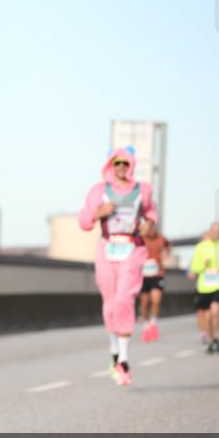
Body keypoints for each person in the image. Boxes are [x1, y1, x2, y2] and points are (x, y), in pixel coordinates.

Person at [79, 147, 158, 386]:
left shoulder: (143, 190)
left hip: (132, 248)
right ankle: (114, 352)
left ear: (131, 165)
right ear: (110, 165)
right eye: (117, 163)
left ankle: (123, 359)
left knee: (124, 298)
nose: (122, 167)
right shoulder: (99, 191)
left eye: (126, 163)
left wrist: (149, 226)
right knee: (111, 302)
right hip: (107, 249)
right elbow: (84, 222)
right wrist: (99, 212)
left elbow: (151, 216)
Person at [188, 223, 219, 354]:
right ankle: (211, 342)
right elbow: (195, 267)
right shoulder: (201, 247)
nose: (215, 234)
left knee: (215, 311)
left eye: (218, 231)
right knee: (208, 317)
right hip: (204, 287)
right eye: (213, 231)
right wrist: (203, 265)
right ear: (210, 232)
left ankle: (216, 338)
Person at [137, 218, 171, 342]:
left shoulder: (161, 238)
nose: (150, 230)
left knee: (156, 300)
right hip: (143, 274)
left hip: (157, 273)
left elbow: (168, 246)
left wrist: (166, 253)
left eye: (152, 227)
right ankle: (146, 325)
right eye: (148, 227)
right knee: (144, 302)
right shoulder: (140, 238)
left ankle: (153, 324)